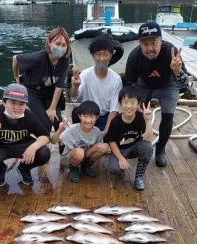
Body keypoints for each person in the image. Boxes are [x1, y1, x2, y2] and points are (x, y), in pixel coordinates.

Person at [125, 21, 188, 167]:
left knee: (168, 116)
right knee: (138, 113)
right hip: (144, 84)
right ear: (140, 44)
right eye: (145, 44)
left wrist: (177, 71)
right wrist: (135, 105)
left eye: (154, 43)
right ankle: (139, 145)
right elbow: (130, 86)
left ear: (161, 41)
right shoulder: (134, 57)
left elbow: (185, 86)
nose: (150, 48)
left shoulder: (171, 53)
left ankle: (160, 150)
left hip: (168, 84)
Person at [0, 83, 50, 187]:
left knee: (44, 153)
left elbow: (45, 136)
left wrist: (33, 147)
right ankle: (0, 169)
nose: (16, 108)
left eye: (21, 104)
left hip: (21, 145)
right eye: (13, 103)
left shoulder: (28, 116)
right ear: (4, 102)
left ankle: (24, 168)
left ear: (26, 105)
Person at [12, 27, 71, 132]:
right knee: (45, 126)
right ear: (49, 43)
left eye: (63, 45)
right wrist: (16, 77)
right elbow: (15, 59)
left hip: (50, 92)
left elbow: (59, 86)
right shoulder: (37, 58)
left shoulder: (65, 60)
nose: (60, 48)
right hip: (33, 92)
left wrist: (52, 109)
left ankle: (62, 143)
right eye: (57, 44)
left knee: (58, 123)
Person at [70, 35, 122, 136]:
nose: (101, 59)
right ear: (92, 55)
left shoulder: (116, 79)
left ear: (111, 56)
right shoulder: (85, 74)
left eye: (105, 54)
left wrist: (106, 131)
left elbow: (114, 109)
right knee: (76, 112)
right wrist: (75, 86)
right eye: (98, 54)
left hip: (105, 118)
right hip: (88, 115)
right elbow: (74, 97)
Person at [104, 86, 153, 191]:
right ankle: (122, 169)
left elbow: (148, 139)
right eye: (125, 102)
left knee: (148, 147)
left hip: (135, 147)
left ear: (138, 104)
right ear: (120, 104)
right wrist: (121, 158)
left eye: (133, 102)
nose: (129, 106)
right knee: (113, 169)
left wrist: (148, 120)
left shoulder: (141, 117)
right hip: (120, 149)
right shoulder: (115, 121)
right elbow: (111, 142)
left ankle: (139, 177)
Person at [51, 100, 109, 183]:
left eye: (92, 116)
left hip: (84, 155)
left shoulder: (96, 131)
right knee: (79, 152)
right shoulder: (72, 129)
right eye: (85, 116)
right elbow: (53, 141)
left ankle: (86, 167)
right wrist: (60, 130)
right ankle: (73, 169)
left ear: (97, 117)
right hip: (70, 157)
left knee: (104, 146)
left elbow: (98, 147)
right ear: (79, 116)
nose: (88, 120)